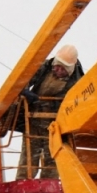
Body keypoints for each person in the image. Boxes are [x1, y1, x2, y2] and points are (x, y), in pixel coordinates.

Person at [15, 44, 84, 179]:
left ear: (69, 69)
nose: (57, 70)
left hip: (55, 125)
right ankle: (22, 181)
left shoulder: (78, 82)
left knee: (52, 156)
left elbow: (77, 104)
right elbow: (24, 79)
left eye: (61, 68)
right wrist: (25, 91)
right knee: (29, 154)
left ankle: (48, 184)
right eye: (56, 66)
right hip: (33, 119)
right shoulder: (46, 67)